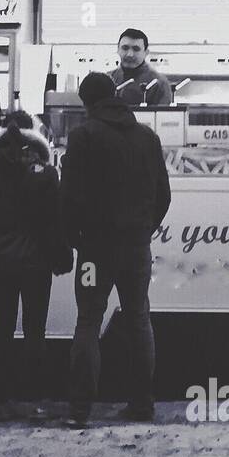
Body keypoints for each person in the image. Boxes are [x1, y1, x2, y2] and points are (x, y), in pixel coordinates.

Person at [61, 72, 171, 427]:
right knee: (138, 317)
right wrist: (144, 230)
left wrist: (76, 238)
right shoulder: (147, 137)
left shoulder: (83, 136)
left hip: (95, 250)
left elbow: (70, 194)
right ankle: (142, 403)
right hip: (137, 248)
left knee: (89, 320)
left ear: (86, 102)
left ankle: (80, 410)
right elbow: (163, 195)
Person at [0, 116, 71, 419]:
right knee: (34, 330)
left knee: (1, 328)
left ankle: (0, 399)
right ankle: (33, 398)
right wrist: (60, 258)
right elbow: (55, 223)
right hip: (35, 263)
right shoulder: (47, 175)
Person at [109, 28, 173, 106]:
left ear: (146, 53)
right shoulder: (108, 79)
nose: (130, 54)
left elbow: (162, 116)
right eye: (125, 48)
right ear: (118, 50)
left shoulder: (159, 84)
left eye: (136, 49)